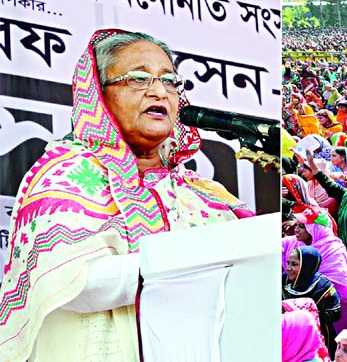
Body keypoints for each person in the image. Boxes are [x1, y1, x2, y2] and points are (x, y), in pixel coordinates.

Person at [0, 30, 255, 361]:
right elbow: (71, 283)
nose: (159, 92)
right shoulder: (65, 173)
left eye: (169, 81)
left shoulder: (202, 192)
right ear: (100, 95)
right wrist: (190, 262)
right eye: (138, 79)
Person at [293, 207, 347, 333]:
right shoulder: (301, 245)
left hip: (337, 308)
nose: (295, 230)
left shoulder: (332, 250)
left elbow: (343, 287)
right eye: (296, 225)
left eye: (302, 226)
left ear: (315, 229)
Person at [284, 246, 342, 353]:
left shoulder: (322, 285)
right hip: (290, 334)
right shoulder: (283, 280)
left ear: (307, 266)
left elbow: (335, 313)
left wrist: (306, 316)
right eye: (288, 263)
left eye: (294, 264)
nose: (288, 267)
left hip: (316, 334)